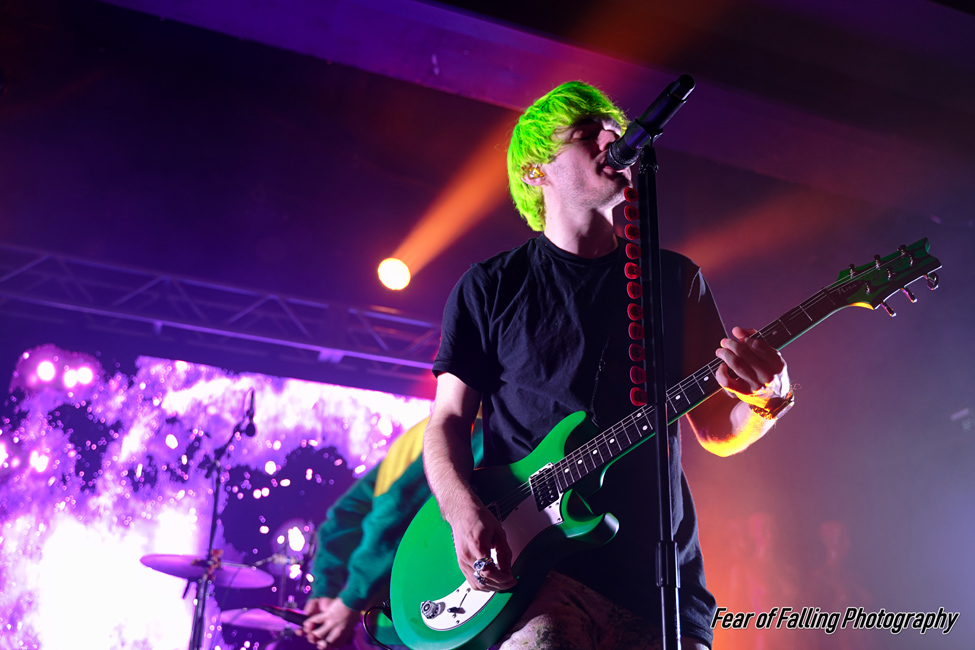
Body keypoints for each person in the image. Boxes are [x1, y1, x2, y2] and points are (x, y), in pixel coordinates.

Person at [423, 81, 794, 650]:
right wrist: (460, 510)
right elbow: (448, 419)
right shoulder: (490, 286)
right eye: (586, 133)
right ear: (535, 172)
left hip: (659, 585)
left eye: (614, 130)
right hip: (539, 575)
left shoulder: (673, 279)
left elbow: (719, 431)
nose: (611, 139)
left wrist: (768, 399)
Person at [301, 417, 483, 650]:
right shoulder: (471, 425)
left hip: (393, 622)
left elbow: (344, 514)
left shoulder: (420, 433)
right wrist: (348, 599)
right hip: (429, 618)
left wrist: (327, 589)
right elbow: (395, 512)